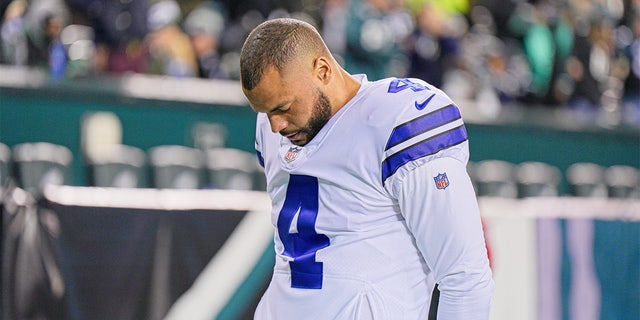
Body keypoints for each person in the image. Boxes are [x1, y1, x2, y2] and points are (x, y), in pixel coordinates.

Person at [239, 18, 493, 319]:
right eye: (266, 112)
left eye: (283, 108)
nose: (276, 125)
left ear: (322, 70)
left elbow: (464, 277)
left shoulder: (395, 119)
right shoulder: (273, 126)